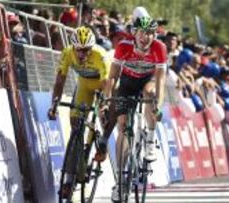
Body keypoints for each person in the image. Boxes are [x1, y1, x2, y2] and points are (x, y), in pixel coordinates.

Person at [99, 6, 167, 202]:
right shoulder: (123, 46)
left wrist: (158, 106)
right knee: (122, 126)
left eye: (151, 33)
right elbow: (112, 77)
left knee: (149, 93)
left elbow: (161, 82)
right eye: (143, 33)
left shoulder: (159, 48)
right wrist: (106, 98)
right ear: (135, 33)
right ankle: (120, 182)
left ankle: (150, 138)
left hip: (148, 80)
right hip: (127, 83)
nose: (147, 37)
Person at [47, 26, 110, 198]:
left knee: (105, 116)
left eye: (86, 50)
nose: (82, 54)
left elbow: (107, 85)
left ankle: (100, 146)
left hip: (102, 85)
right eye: (79, 50)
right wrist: (54, 103)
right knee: (76, 125)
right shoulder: (67, 53)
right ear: (73, 47)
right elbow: (60, 81)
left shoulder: (100, 55)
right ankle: (69, 179)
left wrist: (104, 103)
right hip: (84, 85)